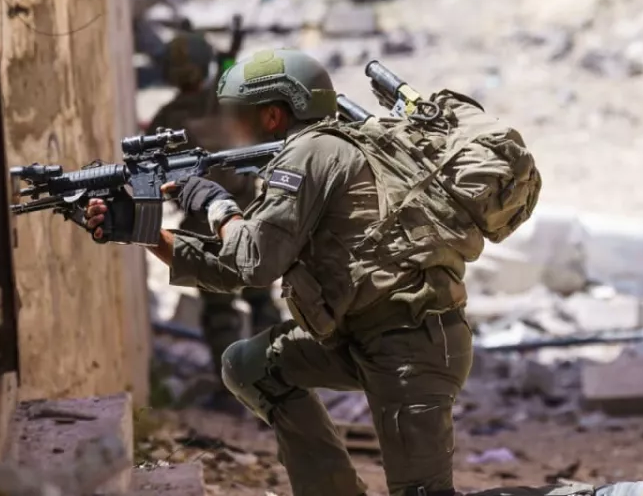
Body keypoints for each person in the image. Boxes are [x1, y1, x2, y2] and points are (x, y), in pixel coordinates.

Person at [89, 49, 473, 496]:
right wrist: (145, 233)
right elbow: (233, 267)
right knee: (251, 366)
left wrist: (216, 205)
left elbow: (253, 262)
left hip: (410, 345)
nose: (229, 124)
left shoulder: (309, 154)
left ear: (272, 115)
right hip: (360, 337)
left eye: (237, 113)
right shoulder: (317, 150)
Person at [148, 32, 282, 408]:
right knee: (261, 303)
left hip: (202, 226)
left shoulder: (167, 119)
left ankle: (234, 392)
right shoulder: (234, 106)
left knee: (221, 312)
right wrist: (226, 61)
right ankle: (276, 379)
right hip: (249, 218)